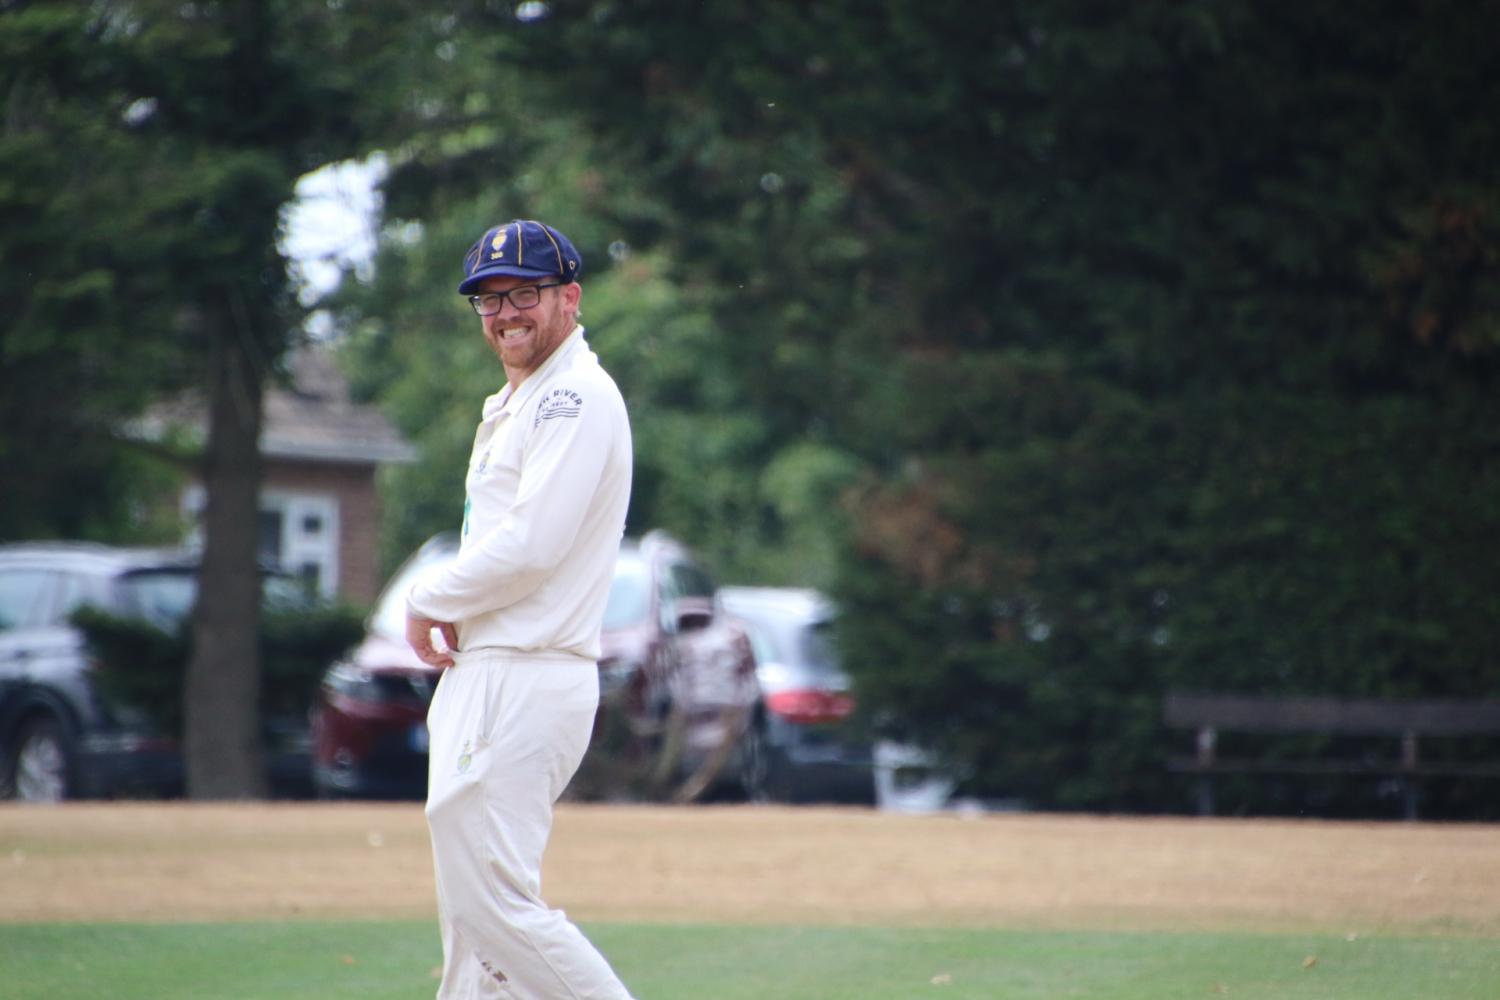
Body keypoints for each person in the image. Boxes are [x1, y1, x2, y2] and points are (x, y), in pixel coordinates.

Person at [405, 219, 635, 999]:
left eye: (524, 294)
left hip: (527, 673)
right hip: (491, 670)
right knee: (473, 933)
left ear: (570, 297)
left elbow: (533, 545)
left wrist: (426, 597)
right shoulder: (523, 399)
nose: (505, 314)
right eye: (489, 299)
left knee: (493, 909)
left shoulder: (572, 396)